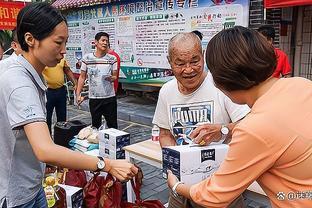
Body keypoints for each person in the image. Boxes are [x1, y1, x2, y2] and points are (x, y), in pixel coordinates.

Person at [0, 3, 137, 208]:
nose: (64, 50)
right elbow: (45, 149)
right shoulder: (20, 83)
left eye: (65, 42)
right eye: (58, 42)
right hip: (18, 195)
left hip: (28, 182)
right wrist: (106, 164)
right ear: (30, 39)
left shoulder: (11, 65)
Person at [167, 26, 312, 208]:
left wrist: (176, 185)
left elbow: (215, 195)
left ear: (222, 81)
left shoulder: (254, 129)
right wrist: (224, 129)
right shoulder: (302, 85)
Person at [152, 32, 250, 207]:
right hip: (180, 187)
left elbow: (250, 123)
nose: (188, 70)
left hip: (220, 185)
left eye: (195, 61)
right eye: (180, 63)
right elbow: (165, 134)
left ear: (203, 55)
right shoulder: (166, 91)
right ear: (170, 62)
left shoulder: (221, 83)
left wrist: (222, 130)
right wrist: (175, 162)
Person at [76, 32, 118, 129]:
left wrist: (111, 78)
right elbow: (82, 77)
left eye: (107, 41)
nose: (105, 43)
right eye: (103, 40)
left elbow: (115, 76)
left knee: (113, 126)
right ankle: (97, 143)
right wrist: (78, 94)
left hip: (109, 98)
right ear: (95, 42)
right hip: (94, 98)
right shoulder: (87, 58)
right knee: (95, 126)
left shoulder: (112, 59)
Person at [43, 58, 77, 133]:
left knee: (62, 117)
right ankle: (48, 139)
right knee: (47, 118)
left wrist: (75, 83)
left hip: (60, 91)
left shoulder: (61, 58)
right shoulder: (44, 57)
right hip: (47, 92)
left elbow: (67, 70)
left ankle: (61, 138)